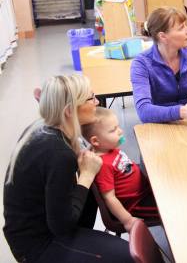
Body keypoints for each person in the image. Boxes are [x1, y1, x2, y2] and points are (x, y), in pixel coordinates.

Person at [3, 74, 133, 262]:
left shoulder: (43, 127)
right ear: (69, 110)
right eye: (91, 98)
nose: (97, 102)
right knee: (130, 256)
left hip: (41, 228)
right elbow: (62, 226)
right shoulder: (58, 153)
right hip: (37, 245)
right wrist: (86, 175)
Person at [81, 107, 160, 233]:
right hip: (138, 203)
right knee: (171, 207)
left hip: (145, 189)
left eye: (118, 127)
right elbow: (109, 198)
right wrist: (128, 220)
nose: (120, 131)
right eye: (113, 130)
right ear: (95, 141)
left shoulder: (109, 148)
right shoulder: (103, 165)